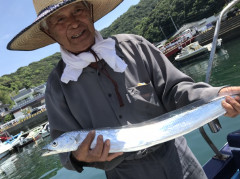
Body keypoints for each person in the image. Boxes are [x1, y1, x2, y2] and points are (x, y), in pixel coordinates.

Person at [7, 0, 240, 178]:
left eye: (77, 10)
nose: (73, 23)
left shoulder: (134, 46)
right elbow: (63, 147)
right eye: (60, 20)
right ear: (49, 32)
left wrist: (215, 96)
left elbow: (176, 89)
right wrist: (78, 156)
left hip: (179, 160)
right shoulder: (57, 88)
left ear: (89, 12)